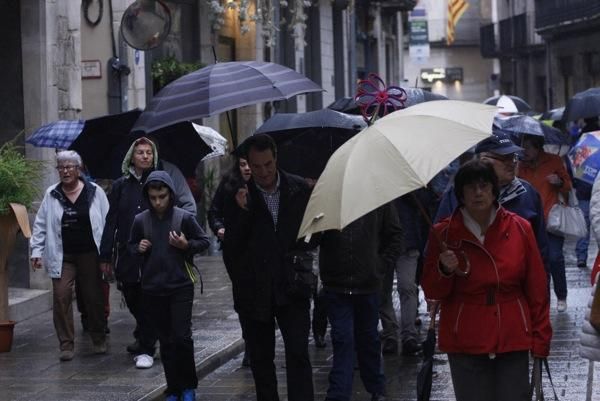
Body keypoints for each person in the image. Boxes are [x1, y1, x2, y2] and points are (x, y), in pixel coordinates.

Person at [422, 160, 552, 401]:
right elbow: (431, 288)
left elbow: (537, 288)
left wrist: (541, 338)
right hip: (465, 336)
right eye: (470, 187)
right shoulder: (444, 233)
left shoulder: (520, 228)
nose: (478, 193)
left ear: (494, 190)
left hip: (512, 333)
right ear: (460, 193)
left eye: (483, 186)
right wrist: (444, 268)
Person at [226, 134, 315, 401]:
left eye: (268, 164)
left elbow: (313, 236)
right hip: (255, 291)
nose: (263, 172)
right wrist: (242, 211)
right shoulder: (237, 195)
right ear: (248, 165)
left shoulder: (299, 189)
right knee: (261, 361)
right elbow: (231, 248)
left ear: (276, 159)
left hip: (292, 285)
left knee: (298, 353)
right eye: (256, 166)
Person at [98, 137, 196, 369]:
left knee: (150, 299)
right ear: (132, 156)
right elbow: (111, 221)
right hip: (129, 252)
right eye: (140, 152)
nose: (144, 156)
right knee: (133, 297)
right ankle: (146, 333)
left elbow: (180, 210)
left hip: (157, 254)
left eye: (148, 153)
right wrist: (105, 256)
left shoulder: (161, 183)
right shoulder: (121, 185)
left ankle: (147, 346)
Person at [128, 171, 209, 401]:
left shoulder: (183, 217)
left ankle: (188, 386)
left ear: (170, 195)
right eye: (153, 197)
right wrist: (139, 248)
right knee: (166, 340)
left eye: (162, 196)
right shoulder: (141, 220)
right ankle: (173, 387)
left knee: (182, 337)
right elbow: (131, 247)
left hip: (181, 285)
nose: (157, 202)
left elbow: (203, 241)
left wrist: (186, 245)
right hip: (153, 287)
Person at [30, 150, 109, 361]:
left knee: (93, 297)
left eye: (69, 167)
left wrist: (108, 254)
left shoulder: (94, 192)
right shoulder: (52, 193)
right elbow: (40, 225)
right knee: (61, 295)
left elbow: (108, 222)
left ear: (78, 169)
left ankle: (98, 336)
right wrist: (36, 251)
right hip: (63, 254)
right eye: (61, 167)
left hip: (90, 253)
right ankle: (66, 343)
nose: (65, 171)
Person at [319, 203, 403, 401]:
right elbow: (311, 238)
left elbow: (395, 236)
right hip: (337, 284)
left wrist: (379, 265)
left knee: (369, 340)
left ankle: (376, 387)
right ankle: (339, 394)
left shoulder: (378, 199)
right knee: (343, 339)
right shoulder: (330, 199)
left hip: (367, 284)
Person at [435, 132, 549, 276]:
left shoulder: (528, 193)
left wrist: (541, 292)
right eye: (504, 158)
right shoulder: (459, 193)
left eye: (513, 157)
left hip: (514, 291)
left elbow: (541, 252)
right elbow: (438, 244)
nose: (512, 163)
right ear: (484, 160)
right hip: (470, 285)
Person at [518, 134, 572, 311]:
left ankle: (561, 295)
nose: (524, 151)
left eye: (528, 147)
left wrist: (559, 181)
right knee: (539, 262)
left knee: (555, 257)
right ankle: (544, 298)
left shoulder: (554, 161)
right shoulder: (520, 166)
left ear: (538, 147)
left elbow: (568, 186)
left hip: (552, 219)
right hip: (530, 220)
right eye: (522, 147)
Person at [207, 156, 252, 366]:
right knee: (242, 296)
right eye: (243, 164)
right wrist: (219, 228)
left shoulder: (264, 186)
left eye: (250, 163)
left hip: (259, 249)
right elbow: (214, 211)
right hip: (235, 250)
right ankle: (249, 343)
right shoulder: (228, 185)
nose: (247, 168)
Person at [379, 192, 424, 356]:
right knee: (383, 291)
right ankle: (390, 333)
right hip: (383, 244)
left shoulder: (410, 182)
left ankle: (409, 335)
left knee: (407, 287)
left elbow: (426, 201)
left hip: (408, 241)